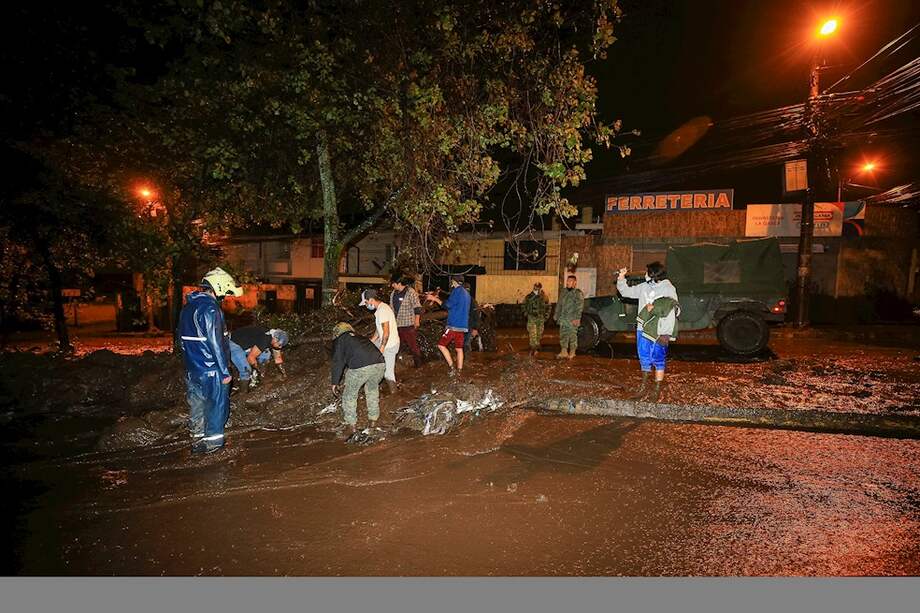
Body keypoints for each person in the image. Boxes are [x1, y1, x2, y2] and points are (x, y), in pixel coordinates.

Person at [177, 267, 242, 454]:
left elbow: (181, 340)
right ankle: (213, 445)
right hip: (211, 369)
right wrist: (224, 372)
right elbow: (216, 344)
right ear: (219, 287)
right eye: (226, 291)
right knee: (215, 405)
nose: (226, 296)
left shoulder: (188, 308)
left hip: (192, 369)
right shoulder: (211, 309)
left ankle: (197, 440)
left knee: (197, 405)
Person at [616, 262, 680, 402]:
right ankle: (643, 388)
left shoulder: (668, 289)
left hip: (659, 330)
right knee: (644, 357)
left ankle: (656, 389)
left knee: (658, 358)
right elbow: (626, 292)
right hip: (642, 328)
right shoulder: (644, 287)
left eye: (647, 272)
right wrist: (621, 278)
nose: (645, 274)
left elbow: (675, 309)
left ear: (653, 274)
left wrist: (666, 332)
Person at [330, 322, 386, 439]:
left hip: (361, 367)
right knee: (372, 391)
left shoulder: (341, 340)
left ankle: (351, 426)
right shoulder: (360, 337)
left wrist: (335, 382)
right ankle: (373, 421)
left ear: (337, 333)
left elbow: (338, 362)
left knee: (349, 395)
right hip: (380, 364)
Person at [424, 275, 470, 376]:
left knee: (441, 345)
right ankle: (459, 371)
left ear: (454, 282)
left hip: (453, 325)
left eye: (452, 281)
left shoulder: (456, 291)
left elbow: (447, 305)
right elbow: (455, 304)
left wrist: (434, 299)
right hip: (463, 326)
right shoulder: (466, 293)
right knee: (459, 349)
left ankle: (452, 367)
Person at [359, 288, 400, 393]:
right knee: (369, 351)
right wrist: (372, 340)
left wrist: (382, 348)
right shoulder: (381, 308)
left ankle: (394, 395)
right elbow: (379, 329)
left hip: (390, 345)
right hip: (386, 341)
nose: (367, 306)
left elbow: (386, 332)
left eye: (366, 302)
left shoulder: (382, 311)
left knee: (388, 374)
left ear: (371, 300)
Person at [228, 325, 289, 391]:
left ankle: (258, 378)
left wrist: (284, 374)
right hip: (234, 344)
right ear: (275, 339)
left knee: (266, 354)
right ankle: (243, 392)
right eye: (279, 345)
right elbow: (250, 358)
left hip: (248, 343)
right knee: (246, 370)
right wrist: (259, 371)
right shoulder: (265, 339)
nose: (280, 347)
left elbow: (278, 358)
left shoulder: (274, 337)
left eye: (281, 346)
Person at [389, 275, 424, 368]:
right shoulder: (393, 293)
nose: (392, 285)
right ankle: (393, 365)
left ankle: (419, 366)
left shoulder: (411, 292)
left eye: (393, 283)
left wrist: (417, 320)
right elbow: (391, 308)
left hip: (408, 324)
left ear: (399, 284)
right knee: (396, 345)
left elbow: (417, 307)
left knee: (413, 346)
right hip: (397, 324)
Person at [554, 275, 584, 359]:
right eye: (567, 281)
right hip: (563, 318)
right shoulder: (563, 292)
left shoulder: (577, 293)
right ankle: (563, 352)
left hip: (572, 319)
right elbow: (559, 304)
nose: (567, 282)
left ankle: (572, 352)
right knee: (563, 335)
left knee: (572, 335)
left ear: (574, 283)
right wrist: (556, 315)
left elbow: (580, 307)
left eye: (570, 281)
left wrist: (577, 318)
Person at [522, 282, 550, 356]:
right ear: (533, 287)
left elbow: (548, 307)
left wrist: (546, 316)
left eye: (538, 287)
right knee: (532, 333)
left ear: (540, 287)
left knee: (539, 333)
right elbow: (523, 305)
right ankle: (533, 348)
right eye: (535, 286)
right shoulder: (528, 297)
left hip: (541, 318)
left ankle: (537, 345)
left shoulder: (544, 297)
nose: (536, 288)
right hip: (532, 318)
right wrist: (526, 314)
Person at [463, 282, 482, 353]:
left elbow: (476, 315)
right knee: (463, 345)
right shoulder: (462, 300)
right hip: (463, 326)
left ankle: (467, 361)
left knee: (466, 344)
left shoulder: (472, 301)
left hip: (469, 326)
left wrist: (475, 328)